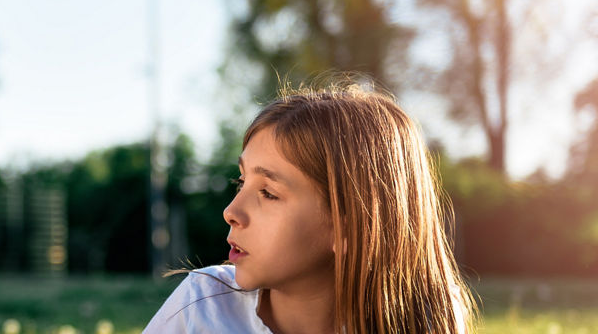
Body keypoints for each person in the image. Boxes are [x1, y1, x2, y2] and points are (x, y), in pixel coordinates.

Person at [144, 79, 477, 333]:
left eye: (268, 193)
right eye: (241, 182)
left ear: (350, 226)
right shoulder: (203, 307)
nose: (231, 212)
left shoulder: (430, 320)